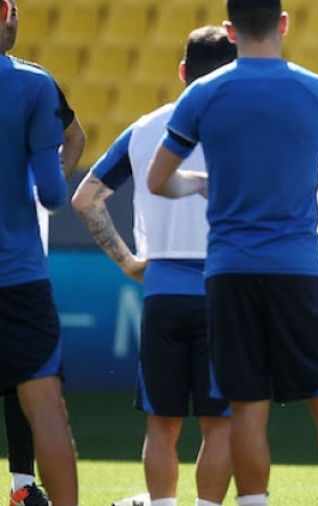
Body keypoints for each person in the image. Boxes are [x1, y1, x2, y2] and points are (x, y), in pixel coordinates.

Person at [145, 1, 318, 505]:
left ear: (230, 31)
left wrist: (201, 184)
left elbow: (158, 180)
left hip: (230, 273)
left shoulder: (203, 93)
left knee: (247, 409)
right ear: (283, 23)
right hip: (298, 271)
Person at [71, 26, 237, 506]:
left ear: (183, 71)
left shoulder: (144, 129)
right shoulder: (244, 130)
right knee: (220, 423)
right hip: (222, 289)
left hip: (162, 290)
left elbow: (86, 199)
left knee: (162, 424)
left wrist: (128, 262)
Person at [2, 2, 86, 502]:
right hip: (17, 275)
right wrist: (39, 184)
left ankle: (21, 487)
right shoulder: (33, 84)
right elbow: (53, 193)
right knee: (43, 405)